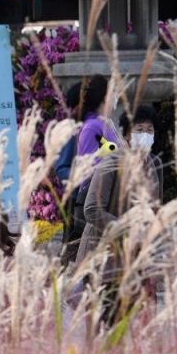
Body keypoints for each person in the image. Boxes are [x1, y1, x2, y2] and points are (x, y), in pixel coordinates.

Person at [74, 104, 163, 265]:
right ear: (127, 135)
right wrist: (127, 229)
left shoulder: (155, 163)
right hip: (102, 253)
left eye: (149, 130)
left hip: (135, 255)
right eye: (139, 130)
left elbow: (155, 207)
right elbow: (92, 209)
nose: (145, 135)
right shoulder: (112, 162)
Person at [60, 74, 118, 268]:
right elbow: (91, 168)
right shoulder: (92, 127)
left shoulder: (104, 124)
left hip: (108, 198)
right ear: (104, 97)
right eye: (113, 93)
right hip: (95, 200)